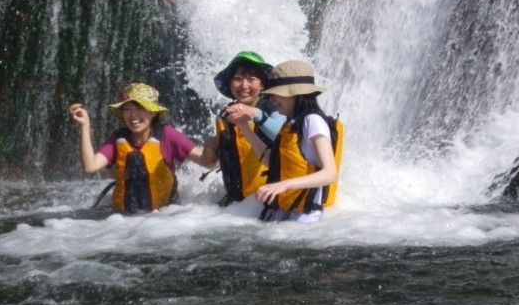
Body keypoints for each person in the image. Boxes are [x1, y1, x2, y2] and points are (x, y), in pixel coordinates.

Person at [69, 82, 213, 213]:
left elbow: (206, 162)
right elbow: (90, 166)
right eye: (127, 109)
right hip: (120, 221)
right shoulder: (118, 139)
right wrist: (84, 125)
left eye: (140, 108)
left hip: (165, 219)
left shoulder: (168, 135)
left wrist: (215, 141)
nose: (133, 116)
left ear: (153, 111)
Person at [235, 60, 343, 222]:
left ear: (295, 94)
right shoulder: (291, 124)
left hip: (304, 221)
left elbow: (330, 173)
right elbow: (273, 162)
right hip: (282, 217)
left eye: (276, 93)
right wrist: (243, 126)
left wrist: (284, 185)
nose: (271, 99)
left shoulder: (313, 121)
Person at [202, 51, 286, 205]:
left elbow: (285, 137)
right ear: (230, 84)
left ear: (262, 84)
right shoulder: (226, 114)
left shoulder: (274, 107)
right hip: (238, 206)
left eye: (251, 79)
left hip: (269, 201)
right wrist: (213, 143)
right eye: (238, 79)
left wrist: (256, 114)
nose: (244, 85)